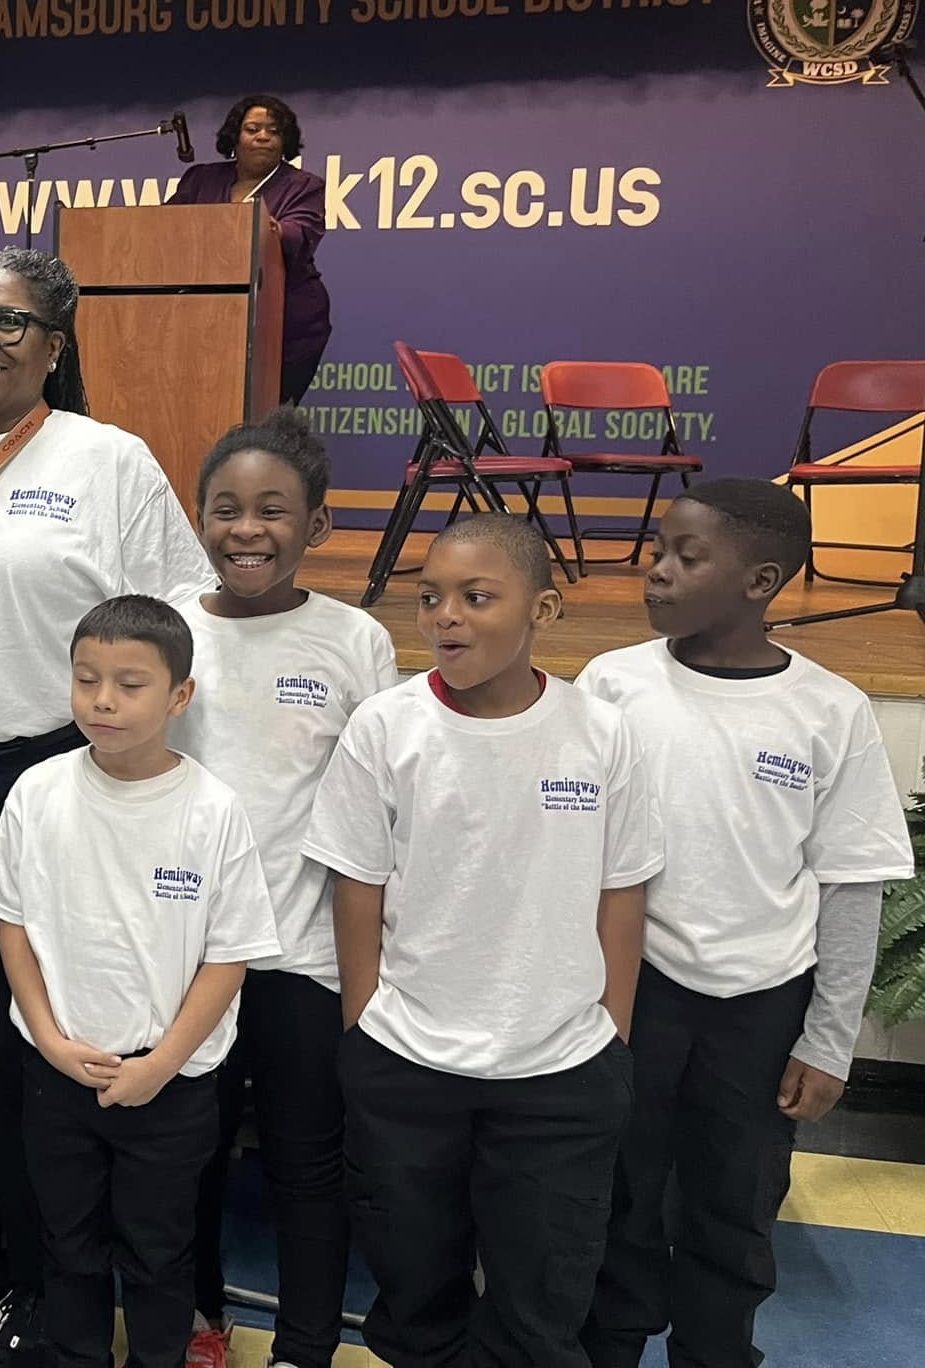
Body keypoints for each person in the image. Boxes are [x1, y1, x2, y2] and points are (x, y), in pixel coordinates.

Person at [0, 247, 213, 1368]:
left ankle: (46, 1283)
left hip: (52, 783)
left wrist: (151, 794)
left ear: (55, 348)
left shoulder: (108, 460)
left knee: (27, 1048)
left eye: (9, 324)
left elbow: (175, 626)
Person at [303, 514, 660, 1368]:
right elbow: (358, 884)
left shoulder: (601, 733)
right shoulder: (388, 728)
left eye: (476, 597)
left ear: (545, 608)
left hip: (562, 1071)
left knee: (542, 1300)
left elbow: (624, 890)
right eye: (429, 598)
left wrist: (611, 1031)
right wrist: (365, 1022)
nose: (445, 617)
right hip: (408, 1061)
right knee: (415, 1289)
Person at [576, 481, 913, 1368]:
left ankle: (717, 1350)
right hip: (629, 992)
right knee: (617, 1190)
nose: (658, 572)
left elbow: (852, 884)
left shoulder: (828, 710)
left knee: (736, 1199)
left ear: (761, 579)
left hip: (761, 1004)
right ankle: (605, 1346)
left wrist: (830, 1037)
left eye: (688, 557)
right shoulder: (614, 684)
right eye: (659, 549)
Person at [0, 596, 276, 1368]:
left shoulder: (212, 811)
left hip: (169, 1084)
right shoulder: (37, 794)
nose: (102, 701)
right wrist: (46, 1037)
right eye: (87, 679)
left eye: (130, 684)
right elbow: (12, 924)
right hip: (58, 1072)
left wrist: (161, 1064)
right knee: (68, 1245)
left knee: (158, 1253)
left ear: (180, 696)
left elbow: (230, 955)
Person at [172, 411, 397, 1368]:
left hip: (303, 958)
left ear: (319, 525)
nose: (247, 529)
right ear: (200, 519)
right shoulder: (168, 625)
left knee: (309, 1166)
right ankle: (197, 1324)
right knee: (186, 1161)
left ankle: (304, 1346)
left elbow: (380, 814)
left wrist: (366, 977)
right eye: (226, 509)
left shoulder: (354, 641)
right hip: (181, 958)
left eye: (273, 510)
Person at [167, 95, 332, 406]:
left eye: (274, 130)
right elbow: (168, 228)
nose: (263, 136)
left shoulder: (304, 185)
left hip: (286, 322)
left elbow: (301, 231)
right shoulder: (201, 179)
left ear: (286, 141)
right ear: (235, 137)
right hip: (202, 319)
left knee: (264, 412)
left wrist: (274, 230)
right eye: (252, 128)